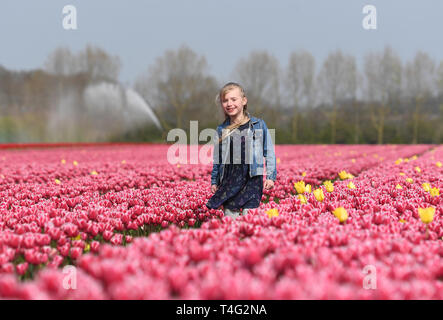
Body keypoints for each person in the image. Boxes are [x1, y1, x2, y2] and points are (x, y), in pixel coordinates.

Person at [205, 82, 277, 220]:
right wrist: (214, 180)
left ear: (244, 101)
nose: (229, 104)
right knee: (230, 220)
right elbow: (218, 159)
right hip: (229, 181)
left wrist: (270, 176)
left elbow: (269, 152)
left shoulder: (258, 125)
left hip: (252, 179)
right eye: (225, 100)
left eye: (233, 99)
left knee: (250, 219)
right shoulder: (221, 129)